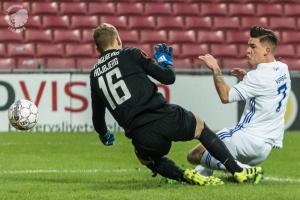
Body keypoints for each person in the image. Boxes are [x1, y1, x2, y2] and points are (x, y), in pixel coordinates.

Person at [90, 23, 262, 186]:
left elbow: (97, 117)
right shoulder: (130, 54)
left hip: (142, 136)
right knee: (200, 127)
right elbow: (168, 78)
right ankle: (238, 170)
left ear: (97, 48)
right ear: (118, 39)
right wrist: (166, 63)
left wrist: (104, 133)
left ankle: (183, 175)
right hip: (164, 117)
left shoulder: (94, 76)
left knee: (145, 157)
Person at [187, 26, 291, 176]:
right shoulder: (282, 69)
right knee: (209, 158)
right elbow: (268, 88)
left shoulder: (257, 77)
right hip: (265, 147)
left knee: (194, 155)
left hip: (246, 140)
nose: (248, 50)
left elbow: (226, 96)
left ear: (266, 50)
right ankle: (201, 176)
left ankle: (244, 171)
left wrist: (215, 69)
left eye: (253, 46)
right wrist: (245, 78)